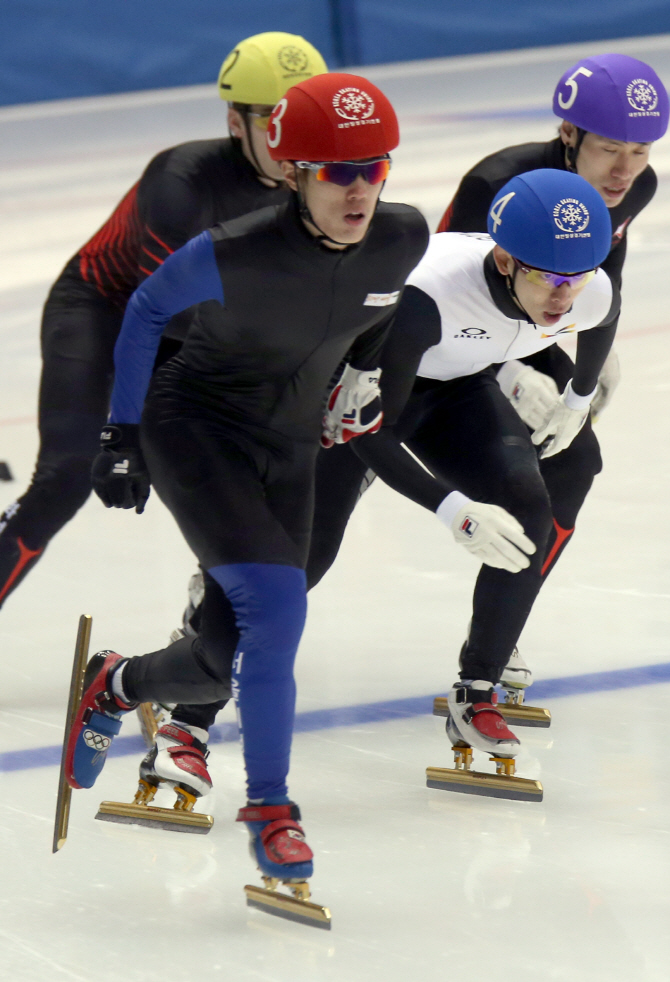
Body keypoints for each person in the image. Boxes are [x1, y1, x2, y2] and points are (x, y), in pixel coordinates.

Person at [65, 73, 429, 890]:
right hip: (197, 431)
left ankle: (116, 683)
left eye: (375, 167)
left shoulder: (402, 238)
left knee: (220, 656)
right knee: (279, 607)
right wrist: (122, 434)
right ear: (295, 170)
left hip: (291, 443)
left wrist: (364, 374)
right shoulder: (234, 251)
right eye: (339, 172)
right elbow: (145, 312)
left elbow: (387, 306)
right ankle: (272, 812)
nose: (360, 188)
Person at [0, 31, 327, 610]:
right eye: (273, 119)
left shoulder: (321, 184)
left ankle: (213, 616)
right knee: (70, 473)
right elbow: (166, 321)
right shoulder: (180, 181)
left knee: (240, 466)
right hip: (102, 307)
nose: (290, 139)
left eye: (302, 118)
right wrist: (130, 433)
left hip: (198, 328)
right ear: (235, 122)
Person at [308, 167, 617, 759]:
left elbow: (604, 315)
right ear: (505, 261)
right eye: (550, 279)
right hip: (360, 391)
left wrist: (578, 398)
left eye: (576, 280)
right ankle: (200, 649)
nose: (563, 298)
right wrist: (453, 510)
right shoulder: (427, 298)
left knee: (532, 510)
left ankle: (477, 690)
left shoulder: (586, 288)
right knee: (306, 559)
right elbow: (371, 431)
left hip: (454, 384)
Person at [433, 54, 668, 691]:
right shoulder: (499, 180)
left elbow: (604, 275)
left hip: (534, 318)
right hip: (436, 338)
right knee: (344, 478)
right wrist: (506, 371)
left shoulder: (634, 188)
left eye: (642, 151)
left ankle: (496, 636)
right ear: (569, 135)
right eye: (611, 149)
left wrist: (596, 348)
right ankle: (217, 603)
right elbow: (446, 288)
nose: (625, 171)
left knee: (575, 461)